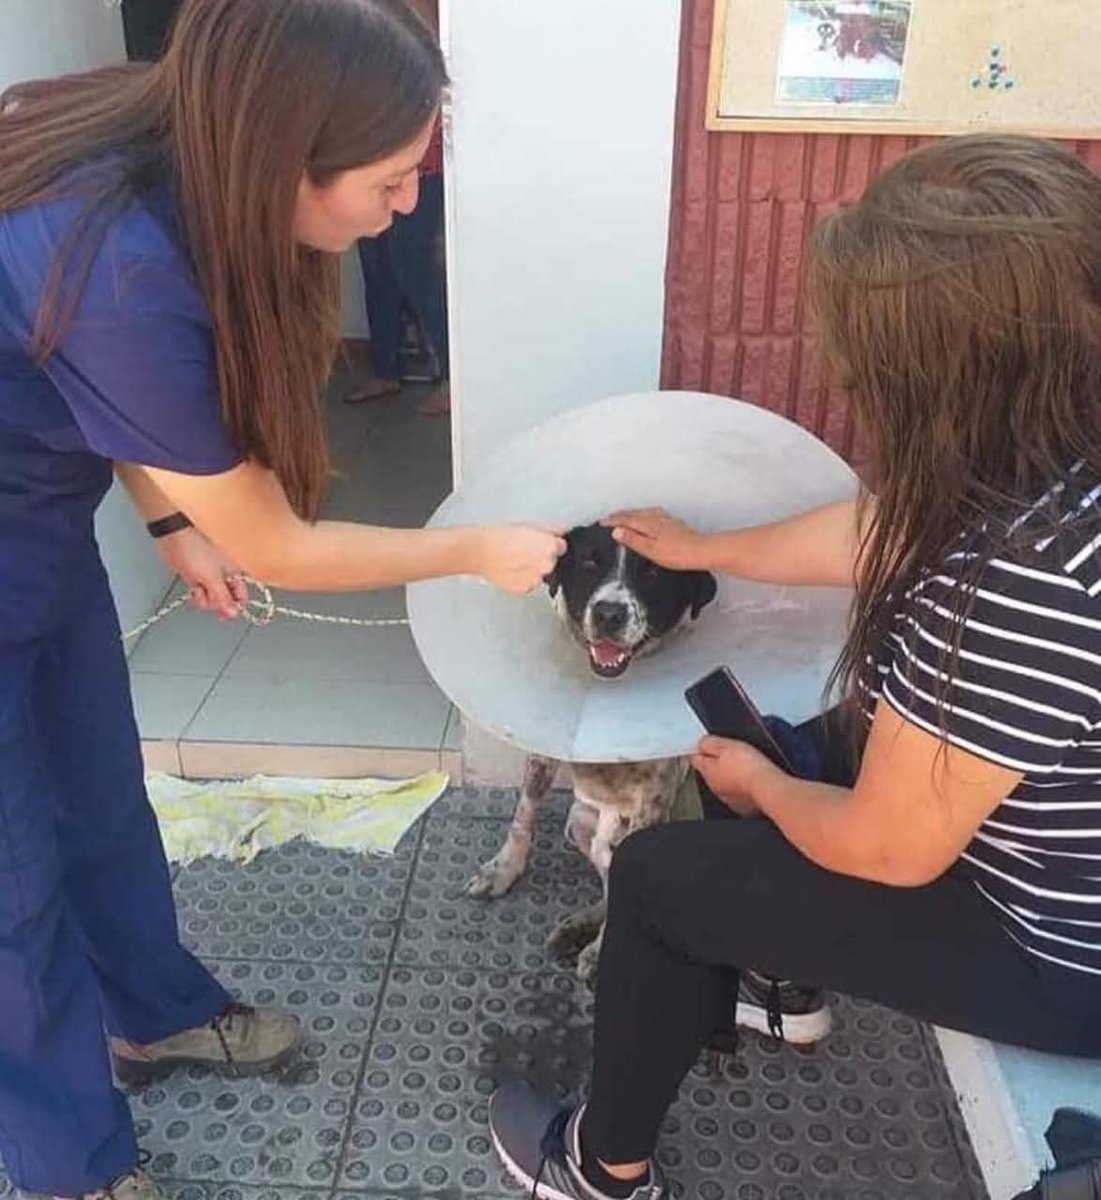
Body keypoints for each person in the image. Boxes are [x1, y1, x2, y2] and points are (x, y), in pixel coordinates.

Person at [0, 2, 563, 1198]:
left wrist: (166, 520)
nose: (407, 207)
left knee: (101, 798)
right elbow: (284, 547)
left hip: (33, 543)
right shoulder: (119, 251)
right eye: (395, 179)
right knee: (13, 896)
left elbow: (87, 371)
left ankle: (152, 1015)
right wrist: (472, 553)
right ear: (285, 152)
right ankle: (71, 1165)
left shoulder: (166, 171)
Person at [488, 132, 1101, 1200]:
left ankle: (599, 1165)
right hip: (1054, 863)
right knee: (796, 739)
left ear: (940, 365)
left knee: (658, 875)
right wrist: (702, 550)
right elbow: (878, 534)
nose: (848, 371)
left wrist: (767, 788)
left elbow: (889, 846)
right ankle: (779, 988)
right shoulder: (1054, 463)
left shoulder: (1025, 572)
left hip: (1053, 952)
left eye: (864, 348)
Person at [346, 0, 451, 416]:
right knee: (376, 264)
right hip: (368, 154)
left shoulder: (429, 13)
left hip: (416, 164)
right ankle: (385, 370)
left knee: (414, 266)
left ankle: (450, 377)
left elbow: (429, 71)